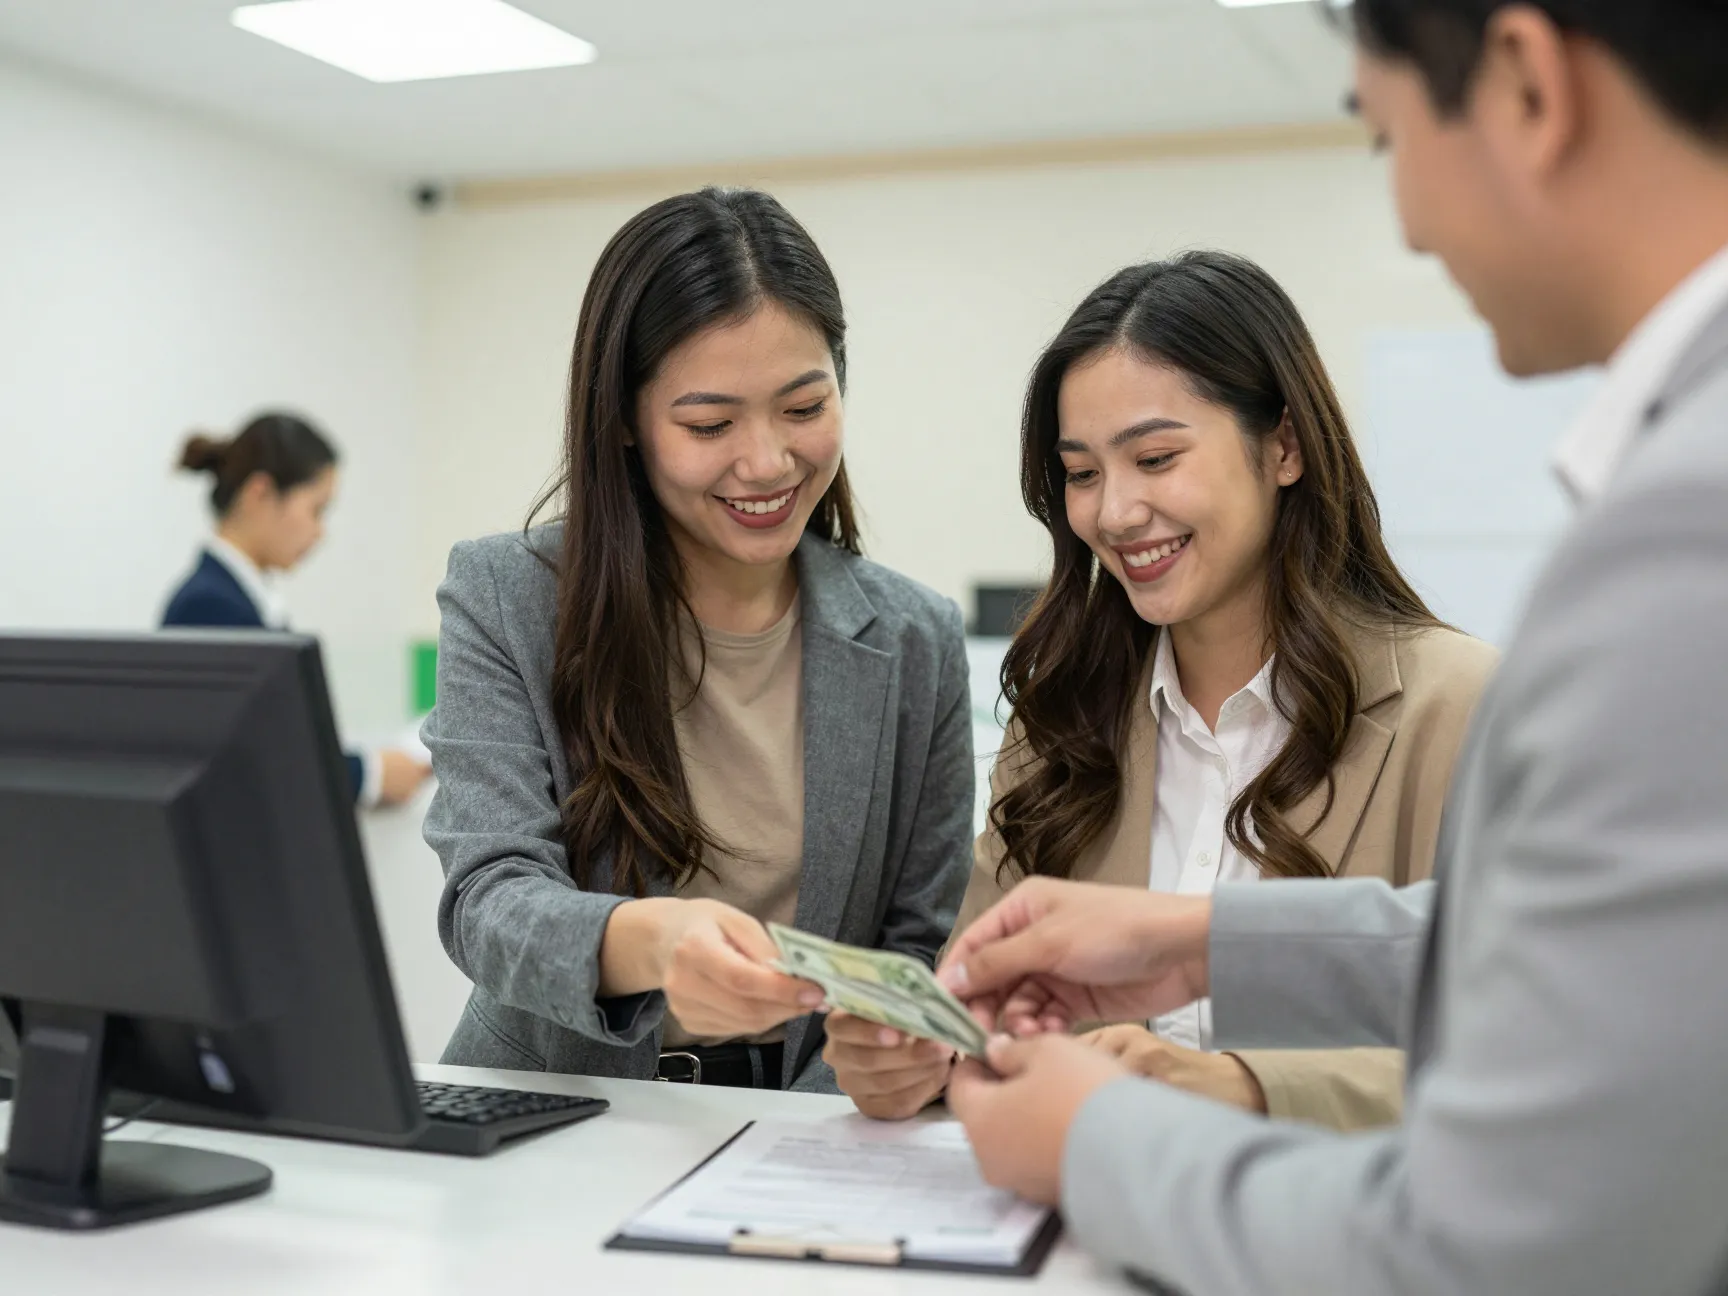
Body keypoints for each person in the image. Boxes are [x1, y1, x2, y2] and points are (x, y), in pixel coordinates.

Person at [938, 3, 1728, 1294]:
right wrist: (1199, 943)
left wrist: (1113, 1133)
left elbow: (1505, 1228)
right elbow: (1532, 963)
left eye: (1385, 138)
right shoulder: (1066, 708)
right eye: (1084, 473)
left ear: (1526, 82)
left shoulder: (1679, 531)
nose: (1409, 221)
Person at [826, 252, 1496, 1128]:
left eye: (1155, 457)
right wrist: (920, 1058)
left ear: (1284, 446)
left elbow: (1535, 1048)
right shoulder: (1061, 721)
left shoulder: (1461, 706)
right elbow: (980, 1010)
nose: (1114, 512)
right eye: (1083, 472)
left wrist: (1240, 1087)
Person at [420, 187, 974, 1092]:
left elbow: (913, 942)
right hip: (561, 1109)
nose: (765, 462)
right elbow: (488, 902)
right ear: (625, 424)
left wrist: (889, 1062)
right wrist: (649, 944)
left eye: (803, 408)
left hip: (809, 1125)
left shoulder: (916, 639)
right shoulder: (508, 597)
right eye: (709, 425)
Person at [165, 412, 430, 808]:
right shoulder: (209, 606)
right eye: (316, 509)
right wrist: (370, 775)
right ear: (260, 493)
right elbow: (254, 763)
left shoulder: (240, 599)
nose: (320, 531)